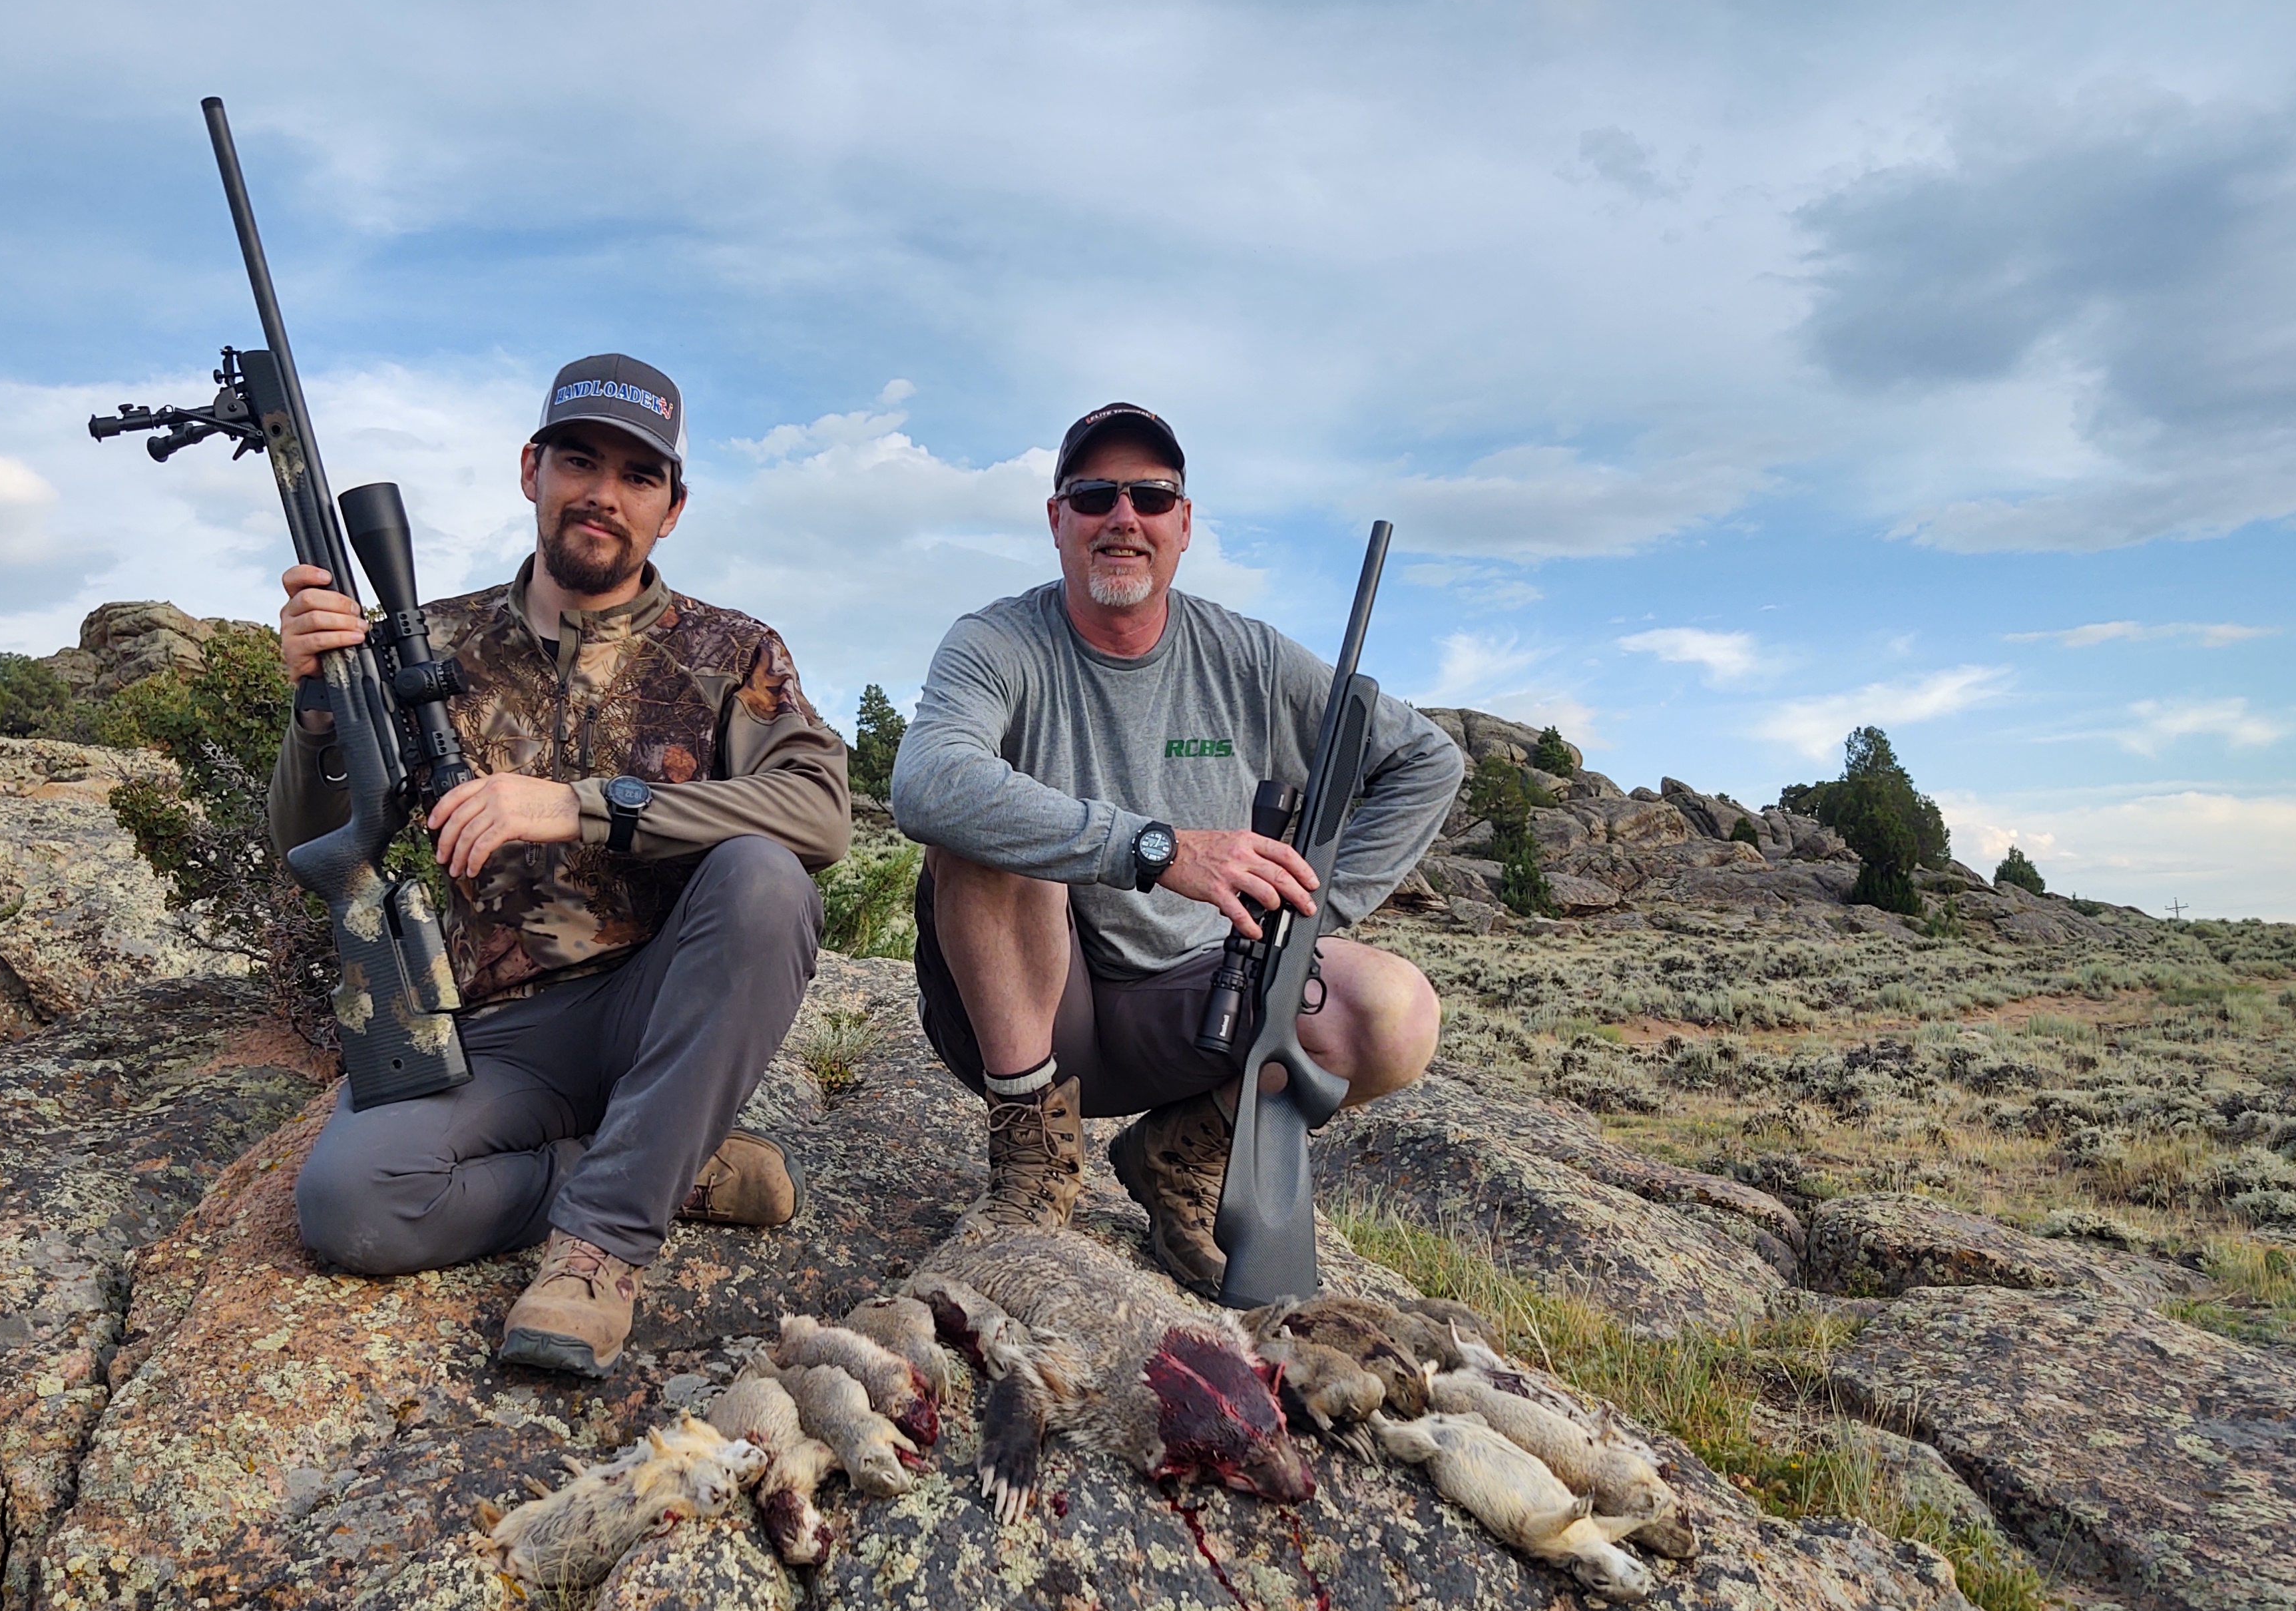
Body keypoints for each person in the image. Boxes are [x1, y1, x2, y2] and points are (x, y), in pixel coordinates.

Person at [270, 353, 851, 1375]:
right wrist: (319, 711)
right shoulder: (428, 641)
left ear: (671, 510)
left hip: (663, 1013)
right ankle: (657, 1162)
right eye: (580, 462)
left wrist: (580, 808)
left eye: (638, 477)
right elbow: (308, 835)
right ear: (531, 468)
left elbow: (817, 814)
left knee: (766, 879)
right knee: (352, 1206)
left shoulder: (731, 652)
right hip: (499, 1034)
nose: (603, 495)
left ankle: (600, 1245)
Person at [890, 402, 1461, 1287]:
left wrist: (1304, 913)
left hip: (1206, 1004)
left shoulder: (1251, 658)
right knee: (983, 833)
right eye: (1094, 494)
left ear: (1184, 525)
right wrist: (1154, 849)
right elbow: (929, 782)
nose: (1124, 517)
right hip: (1034, 1009)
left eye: (1152, 496)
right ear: (1057, 519)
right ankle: (1034, 1161)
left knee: (1397, 1013)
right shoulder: (995, 642)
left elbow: (1426, 759)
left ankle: (1182, 1157)